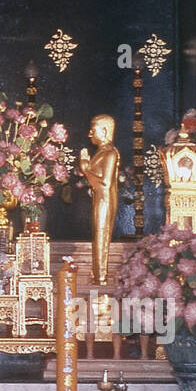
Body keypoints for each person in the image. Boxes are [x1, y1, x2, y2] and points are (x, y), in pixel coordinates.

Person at [79, 115, 120, 284]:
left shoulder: (110, 153)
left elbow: (105, 182)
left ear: (104, 131)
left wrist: (85, 168)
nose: (89, 134)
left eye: (93, 129)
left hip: (105, 199)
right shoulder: (101, 152)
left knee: (101, 234)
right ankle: (97, 274)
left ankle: (101, 276)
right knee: (98, 234)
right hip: (99, 198)